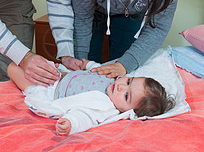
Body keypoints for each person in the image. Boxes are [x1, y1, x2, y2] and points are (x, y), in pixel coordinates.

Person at [7, 58, 175, 136]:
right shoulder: (115, 78)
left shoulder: (105, 106)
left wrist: (71, 124)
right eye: (129, 81)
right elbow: (99, 69)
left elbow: (86, 116)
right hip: (59, 75)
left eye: (126, 95)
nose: (122, 86)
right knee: (28, 62)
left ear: (126, 111)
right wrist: (87, 65)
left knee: (12, 68)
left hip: (49, 91)